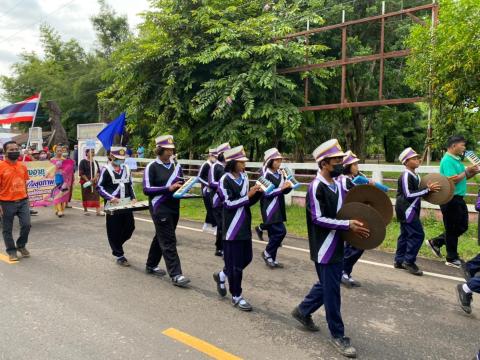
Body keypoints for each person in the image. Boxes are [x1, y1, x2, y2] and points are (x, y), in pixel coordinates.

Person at [291, 139, 369, 358]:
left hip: (337, 243)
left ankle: (303, 310)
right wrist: (347, 224)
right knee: (332, 291)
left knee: (327, 284)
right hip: (325, 247)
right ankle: (338, 335)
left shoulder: (338, 183)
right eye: (336, 160)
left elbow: (349, 204)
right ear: (324, 163)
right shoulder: (316, 187)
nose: (340, 164)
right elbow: (317, 218)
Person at [212, 145, 262, 311]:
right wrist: (247, 196)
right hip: (232, 228)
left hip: (245, 225)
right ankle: (236, 296)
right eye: (241, 162)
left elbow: (247, 202)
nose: (244, 164)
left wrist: (257, 193)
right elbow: (228, 204)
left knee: (246, 258)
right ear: (233, 162)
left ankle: (222, 275)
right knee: (236, 266)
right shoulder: (224, 180)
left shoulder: (245, 176)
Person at [143, 135, 190, 287]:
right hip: (159, 206)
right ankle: (176, 274)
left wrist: (184, 186)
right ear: (160, 150)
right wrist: (167, 188)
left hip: (174, 205)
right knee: (169, 239)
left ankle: (151, 264)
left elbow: (180, 183)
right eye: (167, 150)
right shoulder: (152, 167)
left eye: (171, 149)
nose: (171, 152)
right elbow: (147, 189)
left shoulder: (176, 166)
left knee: (161, 236)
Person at [427, 135, 480, 268]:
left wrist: (472, 171)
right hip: (450, 198)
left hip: (458, 197)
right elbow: (451, 179)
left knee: (462, 226)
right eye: (462, 145)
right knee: (452, 228)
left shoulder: (457, 160)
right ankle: (451, 257)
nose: (464, 147)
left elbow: (462, 178)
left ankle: (436, 242)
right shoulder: (447, 160)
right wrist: (467, 171)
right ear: (454, 146)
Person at [394, 148, 440, 276]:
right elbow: (408, 194)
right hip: (406, 209)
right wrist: (427, 190)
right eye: (414, 158)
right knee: (418, 235)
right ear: (406, 162)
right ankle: (408, 261)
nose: (418, 160)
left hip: (411, 209)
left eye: (417, 157)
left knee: (405, 235)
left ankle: (399, 260)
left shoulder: (415, 175)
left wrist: (426, 190)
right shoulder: (406, 175)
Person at [97, 146, 136, 266]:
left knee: (130, 227)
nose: (121, 160)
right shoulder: (106, 170)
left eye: (123, 158)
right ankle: (119, 255)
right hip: (112, 204)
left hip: (126, 203)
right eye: (118, 158)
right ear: (111, 156)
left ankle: (116, 245)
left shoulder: (127, 169)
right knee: (114, 229)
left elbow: (130, 185)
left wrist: (134, 197)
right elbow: (100, 187)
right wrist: (110, 197)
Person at [258, 148, 292, 269]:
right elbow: (266, 193)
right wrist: (282, 188)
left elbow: (284, 191)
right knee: (281, 232)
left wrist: (289, 186)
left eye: (280, 160)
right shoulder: (264, 174)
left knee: (274, 234)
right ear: (269, 161)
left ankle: (271, 258)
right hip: (269, 208)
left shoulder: (280, 173)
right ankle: (267, 253)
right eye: (276, 160)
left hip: (279, 207)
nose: (279, 163)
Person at [0, 141, 31, 262]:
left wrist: (27, 198)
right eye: (11, 150)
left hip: (23, 201)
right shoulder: (1, 167)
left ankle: (21, 245)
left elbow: (24, 183)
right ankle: (12, 251)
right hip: (6, 203)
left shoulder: (22, 166)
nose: (14, 151)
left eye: (16, 149)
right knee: (7, 229)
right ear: (5, 152)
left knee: (27, 225)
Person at [337, 151, 364, 287]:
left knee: (353, 246)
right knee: (357, 245)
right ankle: (343, 272)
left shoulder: (350, 179)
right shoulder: (344, 180)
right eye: (355, 164)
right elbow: (356, 194)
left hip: (353, 215)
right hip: (348, 216)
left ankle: (345, 272)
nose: (357, 166)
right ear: (348, 166)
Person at [208, 143, 231, 256]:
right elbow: (211, 182)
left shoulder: (228, 167)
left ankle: (225, 246)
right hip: (217, 200)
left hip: (228, 200)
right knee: (221, 224)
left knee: (226, 223)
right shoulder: (215, 166)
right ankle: (219, 248)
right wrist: (225, 184)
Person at [198, 148, 218, 234]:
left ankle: (206, 225)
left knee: (212, 208)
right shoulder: (206, 165)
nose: (215, 158)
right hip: (206, 190)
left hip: (213, 190)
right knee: (211, 209)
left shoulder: (215, 166)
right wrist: (208, 184)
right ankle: (215, 227)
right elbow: (199, 177)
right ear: (210, 156)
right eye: (214, 156)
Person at [78, 149, 103, 216]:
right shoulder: (83, 162)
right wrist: (88, 180)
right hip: (85, 182)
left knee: (96, 195)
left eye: (93, 152)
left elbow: (98, 171)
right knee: (85, 195)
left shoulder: (95, 162)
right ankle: (85, 210)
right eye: (91, 152)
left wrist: (94, 178)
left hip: (94, 182)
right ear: (87, 153)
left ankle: (98, 211)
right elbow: (81, 172)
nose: (93, 153)